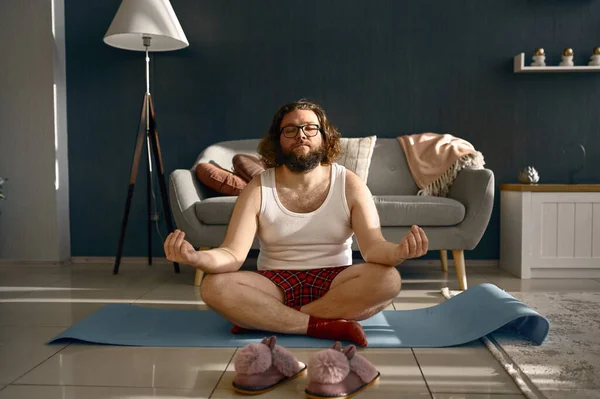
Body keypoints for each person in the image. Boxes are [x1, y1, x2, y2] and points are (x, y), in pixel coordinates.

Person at [163, 99, 428, 347]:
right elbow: (232, 254)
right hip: (274, 282)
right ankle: (323, 325)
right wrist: (195, 258)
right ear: (278, 141)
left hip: (336, 281)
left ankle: (269, 319)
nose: (301, 134)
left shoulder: (349, 183)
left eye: (310, 128)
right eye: (290, 130)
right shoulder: (258, 187)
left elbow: (373, 249)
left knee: (388, 280)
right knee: (213, 286)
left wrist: (398, 253)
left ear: (324, 138)